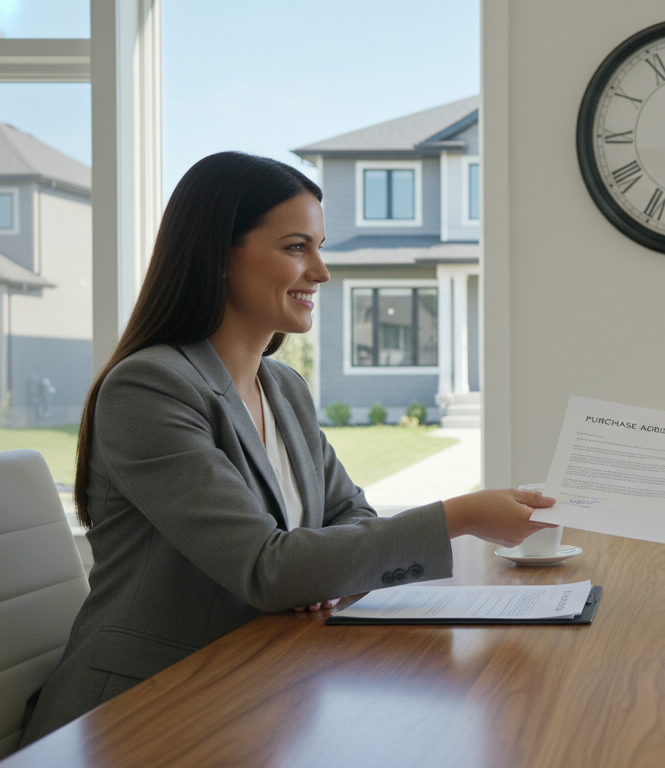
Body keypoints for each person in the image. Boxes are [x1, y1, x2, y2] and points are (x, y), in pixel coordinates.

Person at [20, 152, 556, 745]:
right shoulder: (150, 388)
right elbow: (264, 567)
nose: (321, 273)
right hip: (141, 709)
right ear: (219, 256)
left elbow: (350, 516)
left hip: (255, 686)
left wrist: (314, 570)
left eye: (318, 247)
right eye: (297, 247)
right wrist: (461, 517)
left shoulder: (284, 388)